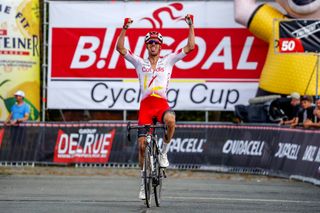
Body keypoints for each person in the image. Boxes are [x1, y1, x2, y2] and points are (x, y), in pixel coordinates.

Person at [116, 15, 195, 200]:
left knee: (171, 121)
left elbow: (190, 47)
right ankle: (143, 182)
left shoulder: (167, 61)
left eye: (156, 43)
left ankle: (164, 154)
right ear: (147, 46)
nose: (153, 45)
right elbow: (120, 48)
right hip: (145, 107)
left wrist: (191, 26)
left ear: (160, 46)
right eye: (150, 42)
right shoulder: (139, 62)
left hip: (161, 105)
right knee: (142, 146)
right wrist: (125, 28)